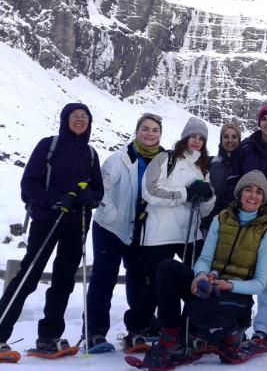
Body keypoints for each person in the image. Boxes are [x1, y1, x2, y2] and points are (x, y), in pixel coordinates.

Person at [140, 170, 267, 368]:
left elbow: (260, 284)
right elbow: (205, 258)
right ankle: (171, 336)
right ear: (239, 193)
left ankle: (228, 335)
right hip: (210, 285)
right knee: (167, 267)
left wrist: (228, 285)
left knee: (198, 309)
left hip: (236, 298)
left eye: (258, 192)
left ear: (263, 199)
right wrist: (201, 275)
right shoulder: (220, 219)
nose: (253, 196)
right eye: (248, 190)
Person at [0, 103, 103, 354]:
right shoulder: (49, 145)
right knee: (29, 276)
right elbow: (28, 182)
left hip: (76, 223)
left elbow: (98, 190)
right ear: (65, 119)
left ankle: (49, 335)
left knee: (64, 280)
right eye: (74, 116)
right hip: (47, 219)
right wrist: (54, 200)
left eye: (84, 117)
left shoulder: (91, 153)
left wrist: (90, 196)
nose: (79, 120)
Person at [122, 116, 215, 350]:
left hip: (190, 234)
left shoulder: (202, 167)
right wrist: (185, 193)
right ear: (185, 137)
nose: (196, 141)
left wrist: (207, 196)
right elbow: (150, 191)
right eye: (193, 136)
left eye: (201, 138)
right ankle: (139, 327)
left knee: (196, 282)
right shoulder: (166, 159)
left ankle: (188, 328)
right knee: (155, 286)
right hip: (158, 235)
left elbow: (205, 209)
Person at [84, 112, 165, 350]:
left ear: (160, 134)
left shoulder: (164, 161)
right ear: (137, 131)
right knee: (104, 277)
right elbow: (103, 188)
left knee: (139, 277)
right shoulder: (120, 158)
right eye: (145, 129)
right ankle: (95, 332)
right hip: (110, 227)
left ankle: (138, 328)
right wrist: (113, 216)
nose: (150, 134)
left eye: (155, 130)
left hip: (141, 229)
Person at [224, 105, 267, 354]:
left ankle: (263, 330)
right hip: (247, 217)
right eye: (265, 119)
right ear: (259, 122)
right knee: (239, 272)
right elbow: (235, 175)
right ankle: (235, 325)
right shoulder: (247, 147)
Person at [202, 122, 242, 234]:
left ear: (239, 140)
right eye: (225, 136)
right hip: (208, 225)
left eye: (234, 137)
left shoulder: (244, 165)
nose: (230, 140)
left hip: (233, 227)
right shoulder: (210, 163)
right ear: (221, 140)